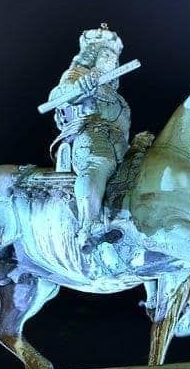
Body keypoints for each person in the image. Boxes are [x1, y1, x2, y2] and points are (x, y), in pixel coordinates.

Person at [49, 24, 131, 253]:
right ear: (92, 56)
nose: (112, 62)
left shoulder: (115, 96)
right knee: (98, 163)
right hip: (89, 137)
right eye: (106, 55)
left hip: (120, 147)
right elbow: (58, 96)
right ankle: (89, 226)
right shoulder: (77, 77)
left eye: (114, 58)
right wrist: (78, 89)